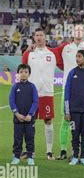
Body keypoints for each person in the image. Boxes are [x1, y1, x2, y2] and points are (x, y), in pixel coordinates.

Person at [54, 31, 84, 161]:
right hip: (68, 88)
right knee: (66, 120)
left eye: (81, 31)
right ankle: (63, 150)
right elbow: (51, 53)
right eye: (76, 31)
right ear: (72, 32)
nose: (79, 33)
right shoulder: (64, 47)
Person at [22, 28, 61, 160]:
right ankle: (29, 150)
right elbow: (22, 70)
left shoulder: (53, 53)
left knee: (48, 121)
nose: (39, 38)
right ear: (34, 37)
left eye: (41, 35)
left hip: (47, 93)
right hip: (31, 94)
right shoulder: (29, 53)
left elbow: (64, 64)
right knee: (29, 121)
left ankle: (49, 151)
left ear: (45, 37)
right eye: (37, 35)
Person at [9, 64, 38, 166]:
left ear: (29, 74)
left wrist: (30, 114)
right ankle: (16, 157)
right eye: (21, 72)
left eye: (25, 72)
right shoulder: (15, 87)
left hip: (29, 119)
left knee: (30, 138)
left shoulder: (32, 86)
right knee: (18, 138)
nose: (23, 74)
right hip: (18, 119)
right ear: (18, 74)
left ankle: (30, 156)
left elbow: (35, 102)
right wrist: (16, 113)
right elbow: (11, 101)